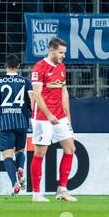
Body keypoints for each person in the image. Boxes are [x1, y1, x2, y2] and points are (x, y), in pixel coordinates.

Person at [29, 37, 77, 203]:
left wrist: (67, 115)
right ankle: (36, 193)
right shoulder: (39, 67)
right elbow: (36, 94)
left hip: (60, 116)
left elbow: (63, 92)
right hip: (43, 117)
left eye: (64, 52)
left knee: (70, 148)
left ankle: (62, 190)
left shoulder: (62, 67)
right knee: (40, 153)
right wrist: (49, 114)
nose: (63, 55)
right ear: (51, 50)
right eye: (61, 52)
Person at [0, 54, 33, 195]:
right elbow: (33, 99)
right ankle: (21, 167)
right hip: (22, 121)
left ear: (5, 66)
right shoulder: (26, 82)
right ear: (18, 66)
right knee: (20, 151)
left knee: (7, 156)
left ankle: (15, 183)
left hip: (5, 123)